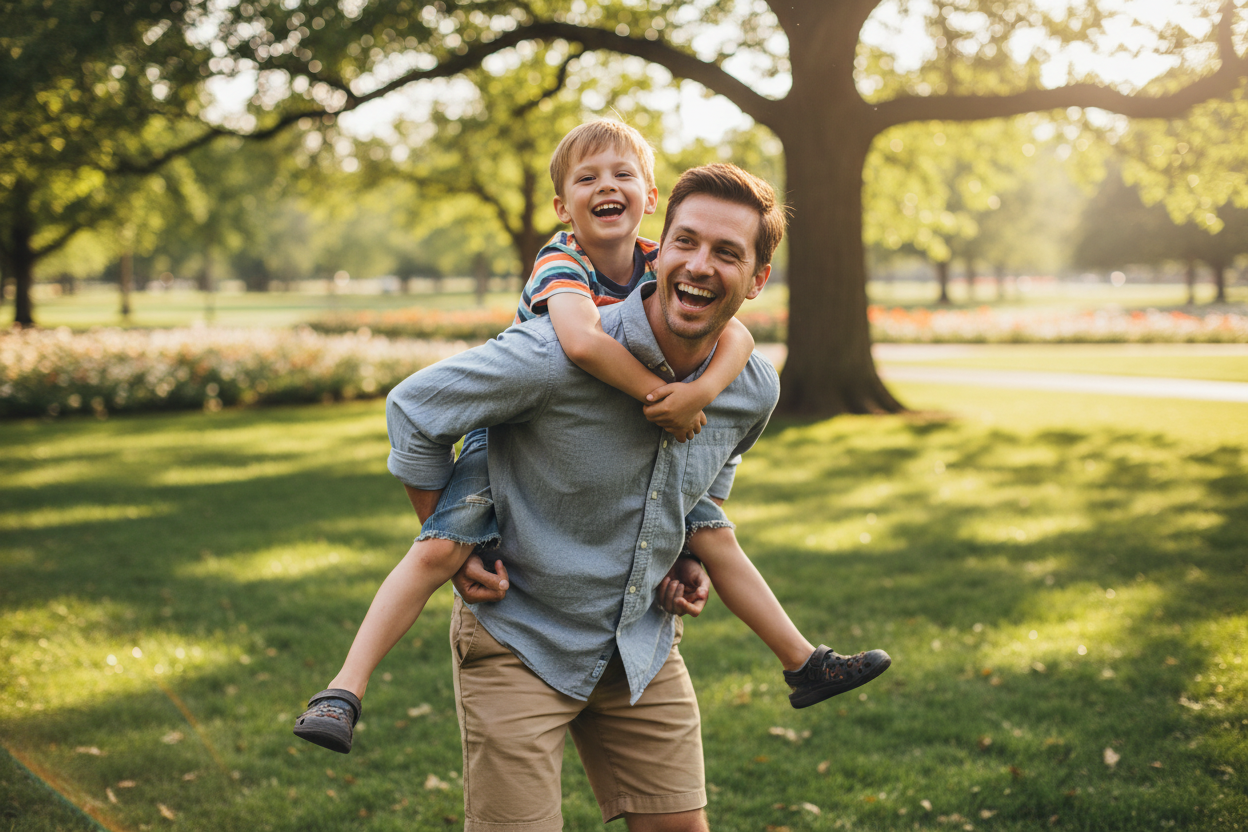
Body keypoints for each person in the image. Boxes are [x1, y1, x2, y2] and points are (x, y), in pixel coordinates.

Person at [304, 162, 886, 831]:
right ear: (658, 251)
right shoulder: (554, 355)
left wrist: (686, 553)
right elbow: (413, 408)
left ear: (758, 279)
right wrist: (453, 537)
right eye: (686, 241)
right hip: (521, 638)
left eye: (727, 253)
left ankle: (802, 664)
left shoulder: (750, 388)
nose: (700, 265)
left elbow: (715, 470)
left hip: (640, 646)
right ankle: (344, 690)